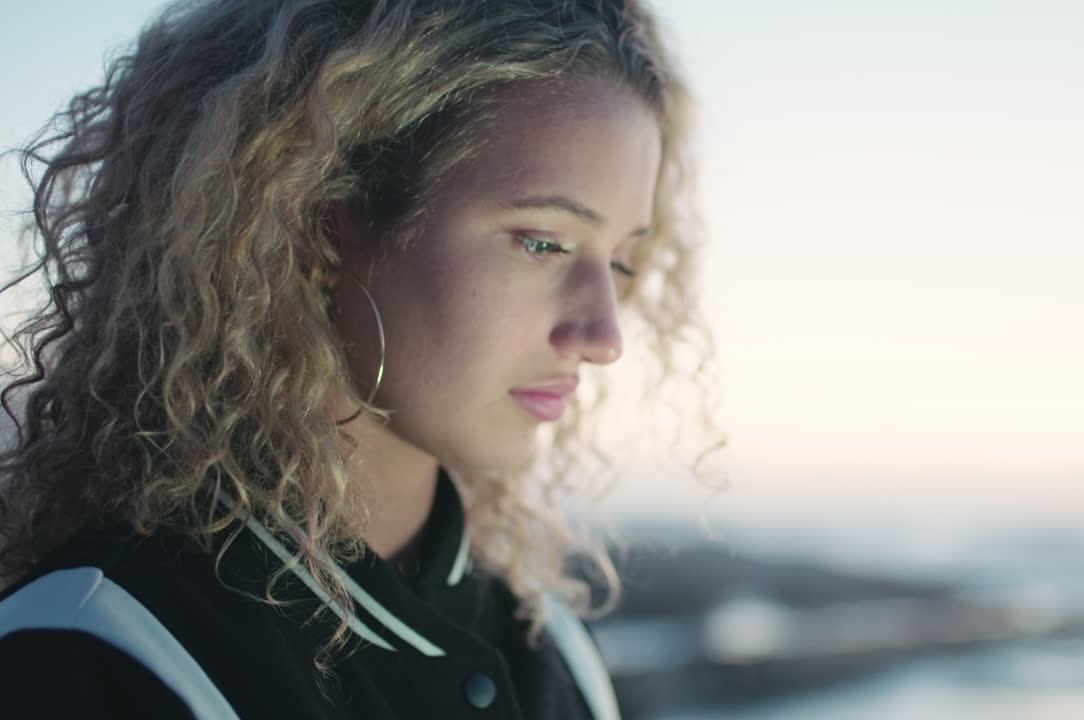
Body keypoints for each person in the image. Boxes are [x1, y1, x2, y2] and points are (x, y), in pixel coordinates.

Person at [0, 0, 715, 717]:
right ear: (323, 221)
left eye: (620, 262)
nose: (604, 336)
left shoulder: (556, 653)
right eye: (543, 243)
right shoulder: (95, 658)